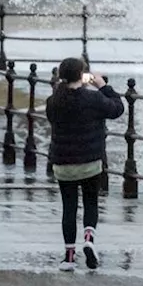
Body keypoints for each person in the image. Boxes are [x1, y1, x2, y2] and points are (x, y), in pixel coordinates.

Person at [45, 57, 124, 271]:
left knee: (68, 208)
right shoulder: (93, 98)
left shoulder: (54, 101)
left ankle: (69, 257)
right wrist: (103, 86)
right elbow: (117, 109)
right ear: (82, 75)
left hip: (63, 163)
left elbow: (53, 117)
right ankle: (89, 238)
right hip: (90, 161)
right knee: (90, 203)